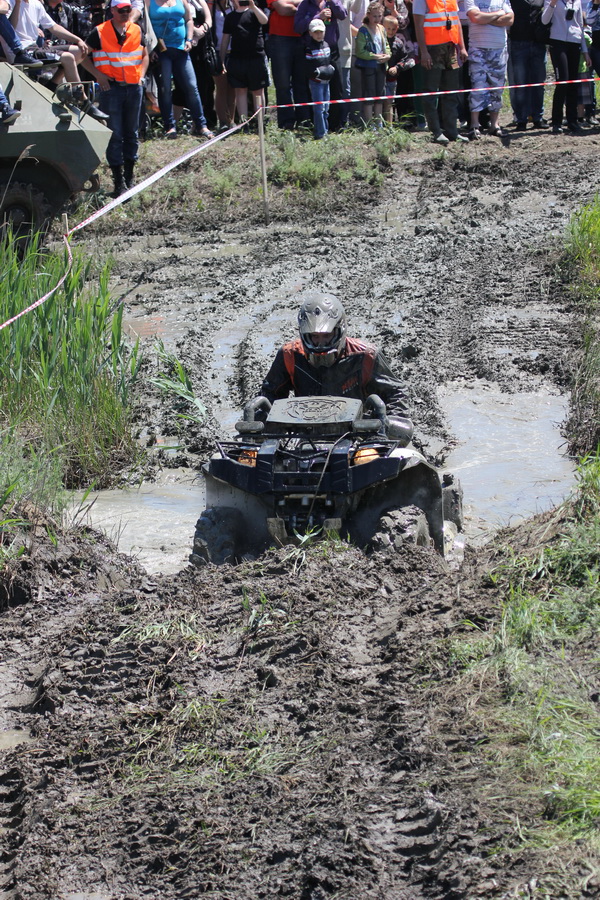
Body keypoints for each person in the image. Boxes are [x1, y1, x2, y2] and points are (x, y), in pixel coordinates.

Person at [260, 292, 414, 445]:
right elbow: (270, 394)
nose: (320, 343)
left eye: (327, 336)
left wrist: (389, 423)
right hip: (308, 437)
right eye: (314, 336)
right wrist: (266, 429)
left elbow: (395, 392)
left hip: (358, 436)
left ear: (339, 329)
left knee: (402, 459)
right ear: (304, 334)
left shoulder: (366, 355)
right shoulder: (289, 355)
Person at [83, 0, 149, 196]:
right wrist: (98, 75)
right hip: (111, 90)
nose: (125, 14)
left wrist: (141, 76)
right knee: (115, 135)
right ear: (112, 11)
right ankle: (118, 183)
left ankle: (129, 179)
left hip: (133, 88)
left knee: (132, 134)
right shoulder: (100, 31)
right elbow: (82, 55)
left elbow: (145, 54)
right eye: (121, 11)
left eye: (128, 10)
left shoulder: (136, 30)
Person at [5, 0, 108, 118]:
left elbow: (53, 27)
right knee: (68, 58)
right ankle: (83, 101)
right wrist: (18, 3)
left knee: (79, 51)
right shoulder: (10, 2)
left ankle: (52, 85)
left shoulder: (36, 4)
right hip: (21, 51)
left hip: (36, 47)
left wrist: (77, 40)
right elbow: (10, 28)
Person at [146, 0, 214, 138]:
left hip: (181, 49)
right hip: (161, 51)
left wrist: (189, 39)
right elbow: (146, 26)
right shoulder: (149, 2)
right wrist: (150, 49)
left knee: (191, 86)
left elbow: (188, 19)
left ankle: (202, 125)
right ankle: (169, 127)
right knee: (165, 89)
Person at [413, 0, 469, 142]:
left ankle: (452, 131)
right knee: (431, 92)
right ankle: (436, 131)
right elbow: (418, 25)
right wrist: (424, 52)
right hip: (432, 50)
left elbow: (456, 21)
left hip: (450, 48)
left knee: (451, 92)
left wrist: (462, 47)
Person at [294, 0, 347, 129]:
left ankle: (335, 125)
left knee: (337, 87)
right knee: (312, 89)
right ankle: (314, 125)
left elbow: (343, 14)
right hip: (312, 52)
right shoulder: (305, 5)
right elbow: (297, 27)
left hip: (331, 51)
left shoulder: (332, 2)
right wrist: (318, 17)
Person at [464, 0, 513, 138]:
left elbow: (510, 19)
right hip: (477, 49)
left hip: (499, 50)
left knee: (497, 89)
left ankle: (494, 125)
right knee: (477, 87)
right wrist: (498, 14)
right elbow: (476, 17)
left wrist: (485, 18)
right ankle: (474, 125)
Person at [542, 0, 590, 133]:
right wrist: (553, 3)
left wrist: (585, 52)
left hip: (574, 43)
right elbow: (544, 20)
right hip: (557, 42)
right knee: (562, 81)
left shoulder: (577, 2)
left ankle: (572, 120)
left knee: (573, 84)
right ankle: (556, 122)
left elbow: (580, 25)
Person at [220, 0, 269, 125]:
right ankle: (244, 123)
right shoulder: (230, 17)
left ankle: (259, 123)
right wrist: (221, 60)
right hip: (237, 58)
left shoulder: (254, 12)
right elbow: (225, 39)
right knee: (240, 90)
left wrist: (253, 6)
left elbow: (264, 21)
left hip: (256, 57)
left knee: (258, 90)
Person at [266, 0, 309, 129]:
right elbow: (282, 9)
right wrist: (303, 7)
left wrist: (292, 4)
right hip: (280, 38)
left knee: (302, 83)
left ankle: (304, 120)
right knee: (283, 84)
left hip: (302, 36)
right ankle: (286, 122)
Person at [507, 0, 549, 129]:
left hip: (538, 43)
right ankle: (521, 119)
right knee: (520, 84)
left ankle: (538, 117)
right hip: (518, 43)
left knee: (539, 83)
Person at [354, 0, 389, 125]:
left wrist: (387, 55)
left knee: (380, 95)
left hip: (381, 66)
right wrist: (374, 56)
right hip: (368, 66)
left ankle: (379, 122)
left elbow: (386, 45)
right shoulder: (363, 30)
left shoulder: (382, 28)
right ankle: (369, 123)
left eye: (380, 16)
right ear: (368, 15)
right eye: (374, 16)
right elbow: (360, 51)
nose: (377, 19)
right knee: (369, 95)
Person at [304, 16, 333, 136]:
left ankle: (325, 129)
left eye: (321, 32)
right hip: (316, 82)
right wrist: (317, 73)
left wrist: (330, 69)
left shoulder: (326, 45)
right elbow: (308, 66)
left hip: (327, 81)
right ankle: (320, 133)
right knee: (319, 108)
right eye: (316, 32)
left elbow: (329, 61)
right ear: (310, 33)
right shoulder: (309, 48)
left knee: (326, 108)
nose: (319, 34)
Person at [0, 0, 44, 64]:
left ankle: (19, 53)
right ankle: (18, 52)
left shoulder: (35, 4)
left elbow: (4, 7)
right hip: (22, 46)